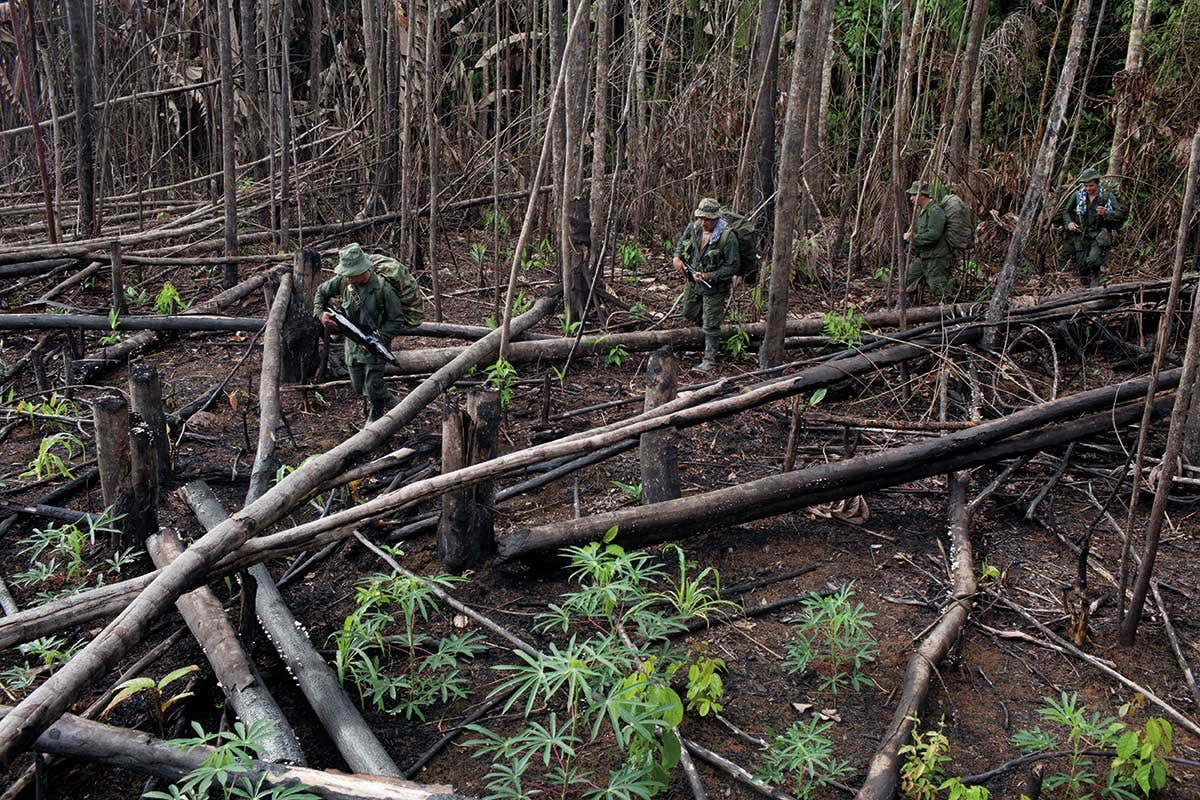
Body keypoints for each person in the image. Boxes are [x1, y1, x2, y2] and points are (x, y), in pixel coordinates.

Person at [313, 243, 410, 421]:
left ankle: (376, 416)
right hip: (351, 344)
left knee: (373, 385)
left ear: (362, 270)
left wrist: (377, 339)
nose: (347, 277)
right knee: (358, 386)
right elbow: (320, 293)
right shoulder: (342, 281)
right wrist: (321, 314)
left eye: (351, 274)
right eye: (346, 273)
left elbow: (396, 320)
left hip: (375, 346)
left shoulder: (382, 289)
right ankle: (391, 401)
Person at [672, 197, 739, 372]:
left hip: (714, 288)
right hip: (693, 282)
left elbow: (732, 266)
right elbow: (681, 243)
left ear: (716, 218)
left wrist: (709, 276)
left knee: (710, 322)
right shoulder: (694, 228)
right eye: (701, 218)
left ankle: (709, 358)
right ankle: (695, 344)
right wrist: (677, 258)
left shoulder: (727, 237)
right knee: (689, 312)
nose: (703, 222)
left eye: (707, 219)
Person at [1057, 168, 1125, 287]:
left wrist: (1106, 213)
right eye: (1086, 185)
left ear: (1097, 183)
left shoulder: (1106, 196)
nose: (1088, 188)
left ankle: (1096, 277)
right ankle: (1085, 289)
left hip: (1098, 235)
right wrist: (1069, 223)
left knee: (1093, 260)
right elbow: (1066, 212)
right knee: (1082, 265)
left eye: (1091, 185)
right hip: (1081, 233)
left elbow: (1120, 214)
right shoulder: (1078, 196)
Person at [903, 181, 951, 302]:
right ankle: (905, 311)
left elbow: (934, 235)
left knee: (938, 288)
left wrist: (913, 238)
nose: (911, 198)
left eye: (914, 195)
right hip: (922, 257)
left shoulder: (935, 211)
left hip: (936, 259)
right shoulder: (921, 212)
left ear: (922, 195)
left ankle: (949, 315)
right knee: (907, 280)